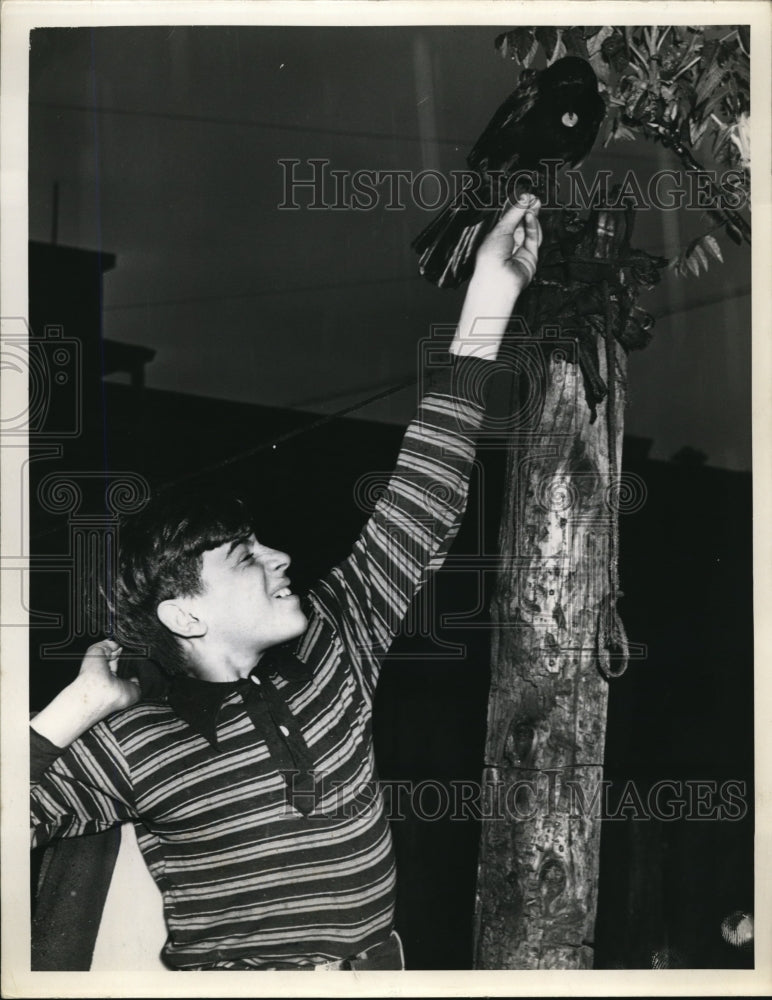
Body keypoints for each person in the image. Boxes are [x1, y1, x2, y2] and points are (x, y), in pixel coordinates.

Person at [30, 196, 543, 971]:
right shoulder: (134, 743)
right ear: (184, 614)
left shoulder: (336, 646)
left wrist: (491, 295)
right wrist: (79, 707)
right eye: (242, 555)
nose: (280, 558)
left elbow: (424, 492)